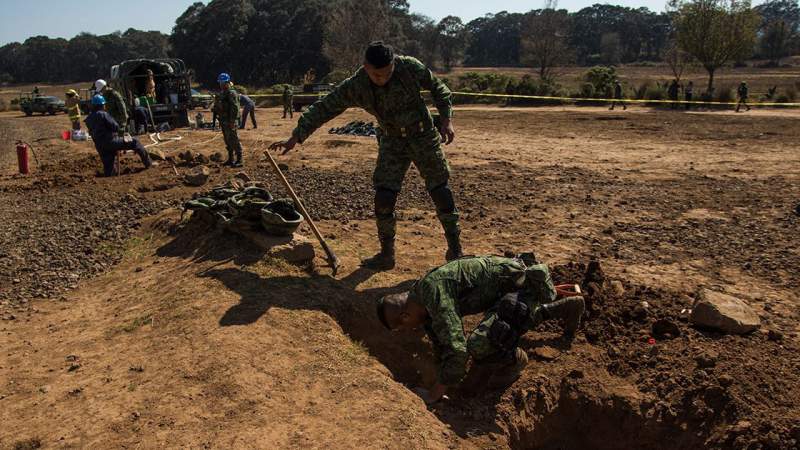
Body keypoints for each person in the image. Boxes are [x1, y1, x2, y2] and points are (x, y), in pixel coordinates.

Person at [269, 41, 463, 269]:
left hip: (423, 134)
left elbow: (439, 89)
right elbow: (325, 107)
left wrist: (447, 120)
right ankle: (386, 254)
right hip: (391, 140)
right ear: (366, 67)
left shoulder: (409, 67)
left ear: (394, 64)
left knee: (440, 189)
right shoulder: (357, 85)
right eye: (376, 74)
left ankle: (455, 250)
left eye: (387, 73)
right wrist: (296, 136)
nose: (383, 78)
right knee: (384, 196)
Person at [376, 254, 585, 404]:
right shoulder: (421, 302)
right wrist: (441, 381)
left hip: (521, 289)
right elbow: (442, 343)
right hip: (506, 295)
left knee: (480, 344)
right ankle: (565, 307)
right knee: (505, 316)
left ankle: (516, 360)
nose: (407, 331)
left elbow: (458, 350)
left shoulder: (433, 293)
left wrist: (433, 394)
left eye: (402, 328)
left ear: (405, 316)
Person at [84, 95, 152, 177]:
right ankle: (149, 164)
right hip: (111, 142)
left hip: (99, 145)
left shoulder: (88, 119)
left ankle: (110, 175)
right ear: (102, 105)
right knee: (135, 142)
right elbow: (115, 126)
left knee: (109, 165)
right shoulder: (103, 114)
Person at [214, 73, 243, 167]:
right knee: (227, 140)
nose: (221, 85)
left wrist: (232, 121)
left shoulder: (232, 93)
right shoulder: (223, 93)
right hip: (224, 120)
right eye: (220, 83)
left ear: (227, 82)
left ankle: (239, 160)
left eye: (223, 83)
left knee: (234, 139)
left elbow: (235, 108)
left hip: (230, 121)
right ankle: (230, 159)